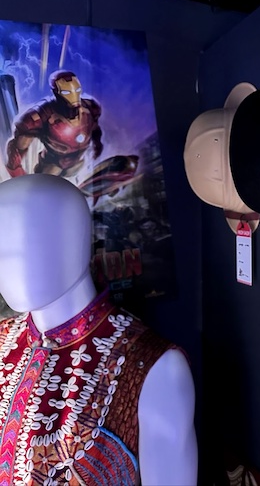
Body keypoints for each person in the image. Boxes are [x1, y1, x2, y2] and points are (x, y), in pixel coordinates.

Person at [0, 173, 197, 485]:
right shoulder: (3, 341)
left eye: (28, 242)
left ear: (74, 239)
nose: (8, 262)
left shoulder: (152, 368)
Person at [5, 69, 103, 178]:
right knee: (47, 180)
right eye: (66, 92)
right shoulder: (40, 115)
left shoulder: (90, 108)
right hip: (53, 165)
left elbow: (95, 129)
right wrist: (18, 175)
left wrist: (97, 146)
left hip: (78, 163)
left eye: (77, 90)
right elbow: (17, 149)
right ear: (56, 93)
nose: (73, 97)